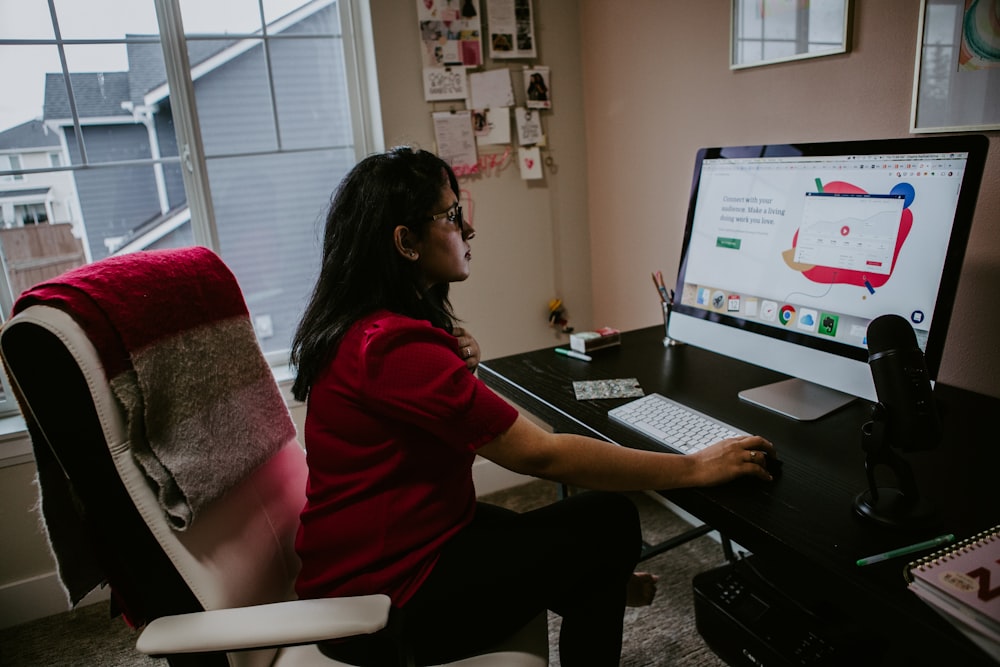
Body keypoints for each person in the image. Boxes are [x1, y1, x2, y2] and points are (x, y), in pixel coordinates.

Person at [290, 146, 775, 666]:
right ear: (405, 241)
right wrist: (692, 467)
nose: (468, 230)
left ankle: (595, 579)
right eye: (452, 216)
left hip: (391, 557)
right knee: (607, 520)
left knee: (571, 540)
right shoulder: (393, 348)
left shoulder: (369, 330)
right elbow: (539, 457)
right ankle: (597, 577)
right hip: (385, 608)